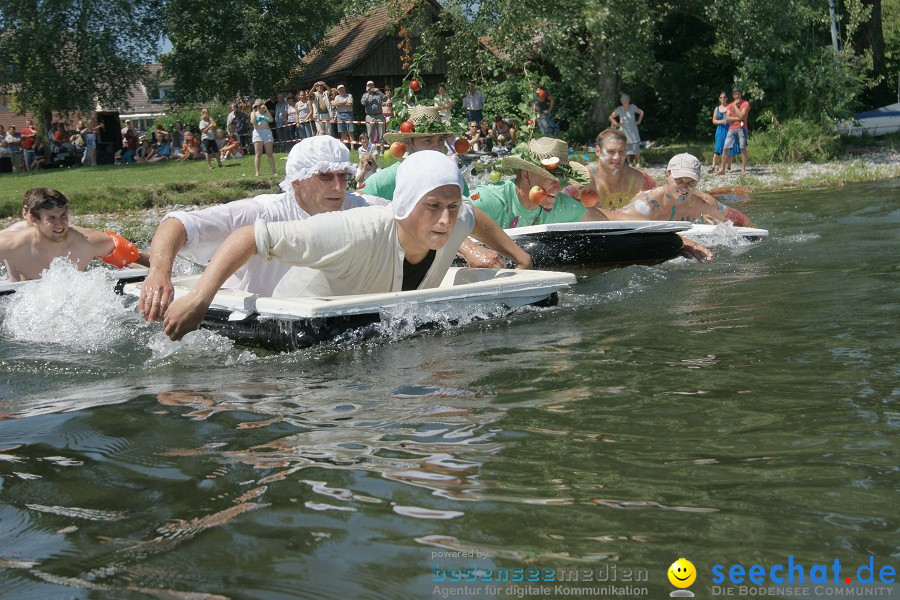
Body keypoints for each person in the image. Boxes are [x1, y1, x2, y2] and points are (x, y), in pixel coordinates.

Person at [162, 151, 531, 341]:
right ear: (403, 205)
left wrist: (518, 256)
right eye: (432, 207)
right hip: (292, 325)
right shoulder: (350, 230)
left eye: (449, 207)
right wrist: (199, 299)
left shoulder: (454, 219)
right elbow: (248, 237)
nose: (445, 221)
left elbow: (473, 215)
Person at [138, 136, 386, 321]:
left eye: (343, 176)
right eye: (325, 176)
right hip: (254, 316)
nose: (339, 187)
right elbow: (177, 224)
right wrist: (159, 273)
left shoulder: (359, 207)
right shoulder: (262, 211)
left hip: (318, 312)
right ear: (297, 182)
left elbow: (408, 218)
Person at [0, 188, 149, 282]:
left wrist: (160, 271)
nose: (60, 225)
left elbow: (132, 255)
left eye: (63, 216)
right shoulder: (12, 243)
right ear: (34, 219)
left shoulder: (87, 241)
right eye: (51, 218)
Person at [469, 137, 597, 229]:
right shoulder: (493, 199)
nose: (557, 188)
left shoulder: (560, 205)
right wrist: (473, 251)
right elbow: (453, 221)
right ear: (525, 175)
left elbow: (608, 221)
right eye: (550, 177)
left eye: (561, 179)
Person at [612, 153, 755, 228]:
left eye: (691, 182)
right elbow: (611, 220)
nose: (684, 187)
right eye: (679, 180)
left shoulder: (703, 204)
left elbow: (741, 219)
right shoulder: (646, 205)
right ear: (667, 176)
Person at [360, 106, 470, 200]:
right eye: (428, 140)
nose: (437, 147)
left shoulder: (453, 177)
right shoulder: (392, 177)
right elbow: (354, 201)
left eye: (440, 140)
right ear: (408, 143)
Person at [565, 129, 657, 211]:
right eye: (611, 152)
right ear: (598, 151)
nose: (617, 157)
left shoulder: (638, 177)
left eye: (621, 152)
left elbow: (662, 197)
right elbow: (560, 206)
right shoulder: (584, 178)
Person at [719, 88, 750, 175]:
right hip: (731, 128)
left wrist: (736, 106)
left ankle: (743, 170)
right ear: (733, 96)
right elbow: (727, 118)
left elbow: (742, 114)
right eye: (735, 94)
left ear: (741, 95)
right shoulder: (729, 105)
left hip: (742, 128)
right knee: (726, 148)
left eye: (738, 94)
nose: (737, 96)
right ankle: (722, 169)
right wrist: (738, 118)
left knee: (743, 148)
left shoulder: (745, 103)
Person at [710, 91, 740, 173]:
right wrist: (721, 121)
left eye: (724, 97)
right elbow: (714, 120)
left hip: (730, 129)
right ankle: (713, 166)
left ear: (727, 98)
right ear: (719, 99)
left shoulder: (730, 107)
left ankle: (728, 167)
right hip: (720, 129)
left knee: (730, 148)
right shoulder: (717, 109)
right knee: (718, 147)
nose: (722, 99)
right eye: (721, 97)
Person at [609, 94, 643, 166]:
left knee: (635, 146)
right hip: (624, 130)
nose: (625, 102)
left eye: (626, 100)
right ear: (621, 101)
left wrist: (638, 121)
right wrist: (617, 124)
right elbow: (611, 117)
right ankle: (629, 163)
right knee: (626, 146)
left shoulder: (633, 107)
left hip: (633, 129)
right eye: (623, 100)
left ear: (629, 100)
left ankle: (638, 162)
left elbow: (641, 112)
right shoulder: (619, 109)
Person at [250, 99, 277, 176]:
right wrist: (253, 110)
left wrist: (266, 109)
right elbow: (253, 122)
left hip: (267, 132)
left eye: (260, 105)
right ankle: (257, 172)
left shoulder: (266, 113)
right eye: (257, 106)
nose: (258, 107)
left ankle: (274, 171)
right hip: (258, 132)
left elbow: (271, 120)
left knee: (269, 153)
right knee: (258, 153)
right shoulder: (253, 113)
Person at [361, 81, 386, 145]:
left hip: (379, 115)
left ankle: (381, 150)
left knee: (381, 134)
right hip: (370, 116)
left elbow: (385, 99)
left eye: (372, 85)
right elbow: (363, 103)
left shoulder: (378, 94)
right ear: (366, 87)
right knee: (370, 134)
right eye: (369, 85)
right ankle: (371, 149)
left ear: (374, 86)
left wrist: (379, 92)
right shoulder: (365, 95)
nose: (370, 87)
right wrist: (368, 94)